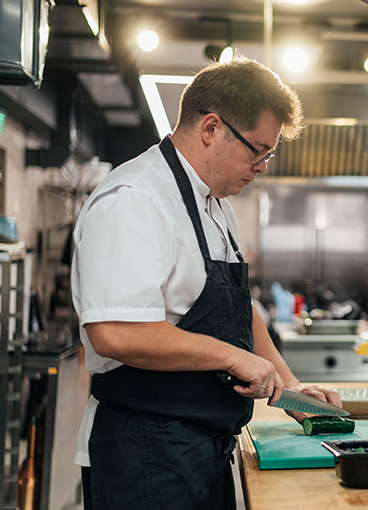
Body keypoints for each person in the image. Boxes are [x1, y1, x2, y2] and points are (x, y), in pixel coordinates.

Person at [70, 56, 341, 509]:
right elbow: (115, 333)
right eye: (257, 150)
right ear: (212, 127)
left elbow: (238, 309)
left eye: (268, 154)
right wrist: (234, 357)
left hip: (202, 447)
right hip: (143, 453)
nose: (262, 166)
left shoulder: (216, 206)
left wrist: (291, 388)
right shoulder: (136, 197)